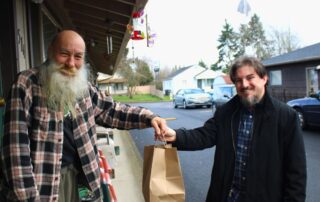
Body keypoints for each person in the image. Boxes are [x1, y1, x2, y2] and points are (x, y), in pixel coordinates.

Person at [0, 30, 167, 202]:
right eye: (64, 54)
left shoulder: (83, 88)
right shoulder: (26, 84)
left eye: (78, 56)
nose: (71, 63)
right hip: (44, 186)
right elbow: (16, 152)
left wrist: (149, 117)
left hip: (83, 180)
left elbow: (111, 110)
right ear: (50, 52)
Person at [162, 56, 306, 201]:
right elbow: (204, 135)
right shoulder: (226, 112)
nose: (244, 84)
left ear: (264, 79)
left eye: (250, 78)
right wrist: (175, 135)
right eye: (238, 80)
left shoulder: (286, 117)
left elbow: (296, 174)